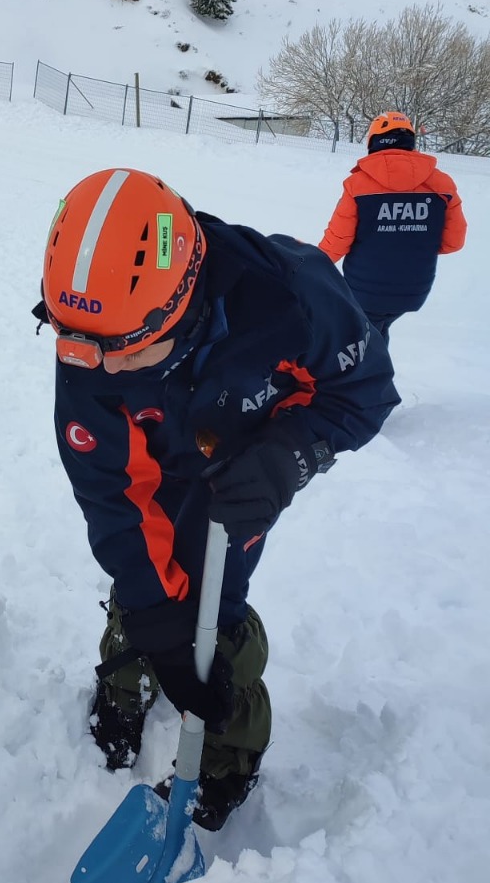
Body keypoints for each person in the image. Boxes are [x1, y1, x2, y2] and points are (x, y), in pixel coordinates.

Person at [38, 167, 398, 829]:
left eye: (126, 350)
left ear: (184, 301)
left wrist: (290, 456)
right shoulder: (93, 337)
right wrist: (156, 621)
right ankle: (132, 673)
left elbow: (367, 391)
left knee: (215, 598)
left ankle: (229, 741)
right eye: (79, 345)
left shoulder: (293, 296)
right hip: (151, 458)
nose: (103, 368)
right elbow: (111, 495)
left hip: (241, 473)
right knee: (144, 580)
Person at [319, 111, 466, 343]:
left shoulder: (358, 185)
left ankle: (370, 375)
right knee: (376, 333)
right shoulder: (442, 185)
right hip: (414, 290)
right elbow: (453, 242)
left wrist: (309, 263)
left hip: (363, 291)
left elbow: (337, 242)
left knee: (358, 343)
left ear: (374, 140)